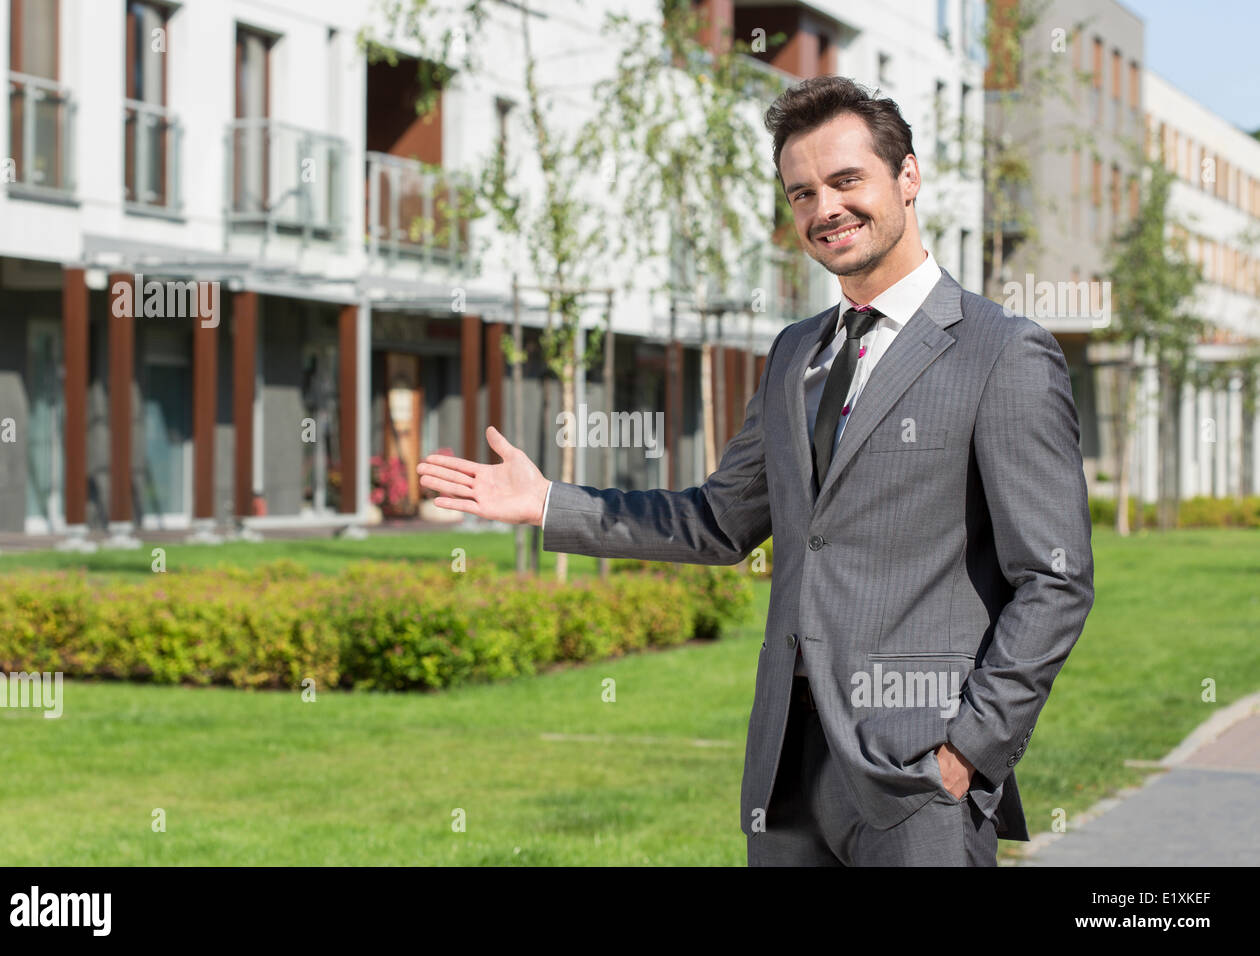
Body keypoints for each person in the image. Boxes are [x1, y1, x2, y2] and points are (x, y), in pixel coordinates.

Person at [416, 75, 1095, 866]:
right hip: (786, 773)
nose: (824, 209)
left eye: (846, 181)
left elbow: (1054, 580)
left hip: (919, 779)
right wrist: (547, 504)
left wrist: (969, 751)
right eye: (801, 193)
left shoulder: (1001, 351)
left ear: (907, 178)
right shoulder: (795, 354)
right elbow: (718, 522)